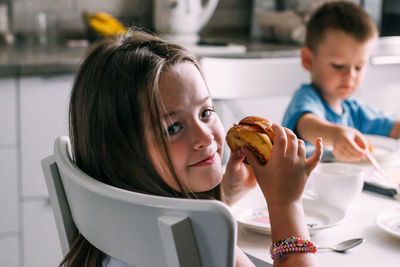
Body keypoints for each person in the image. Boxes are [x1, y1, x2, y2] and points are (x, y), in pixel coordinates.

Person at [61, 29, 323, 267]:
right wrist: (285, 203)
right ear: (120, 154)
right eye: (173, 128)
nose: (205, 137)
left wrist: (224, 195)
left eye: (206, 112)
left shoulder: (117, 221)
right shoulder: (199, 236)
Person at [282, 1, 400, 162]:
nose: (350, 75)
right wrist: (336, 135)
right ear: (308, 60)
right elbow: (307, 125)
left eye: (358, 67)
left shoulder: (355, 109)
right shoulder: (306, 98)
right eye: (338, 66)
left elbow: (393, 127)